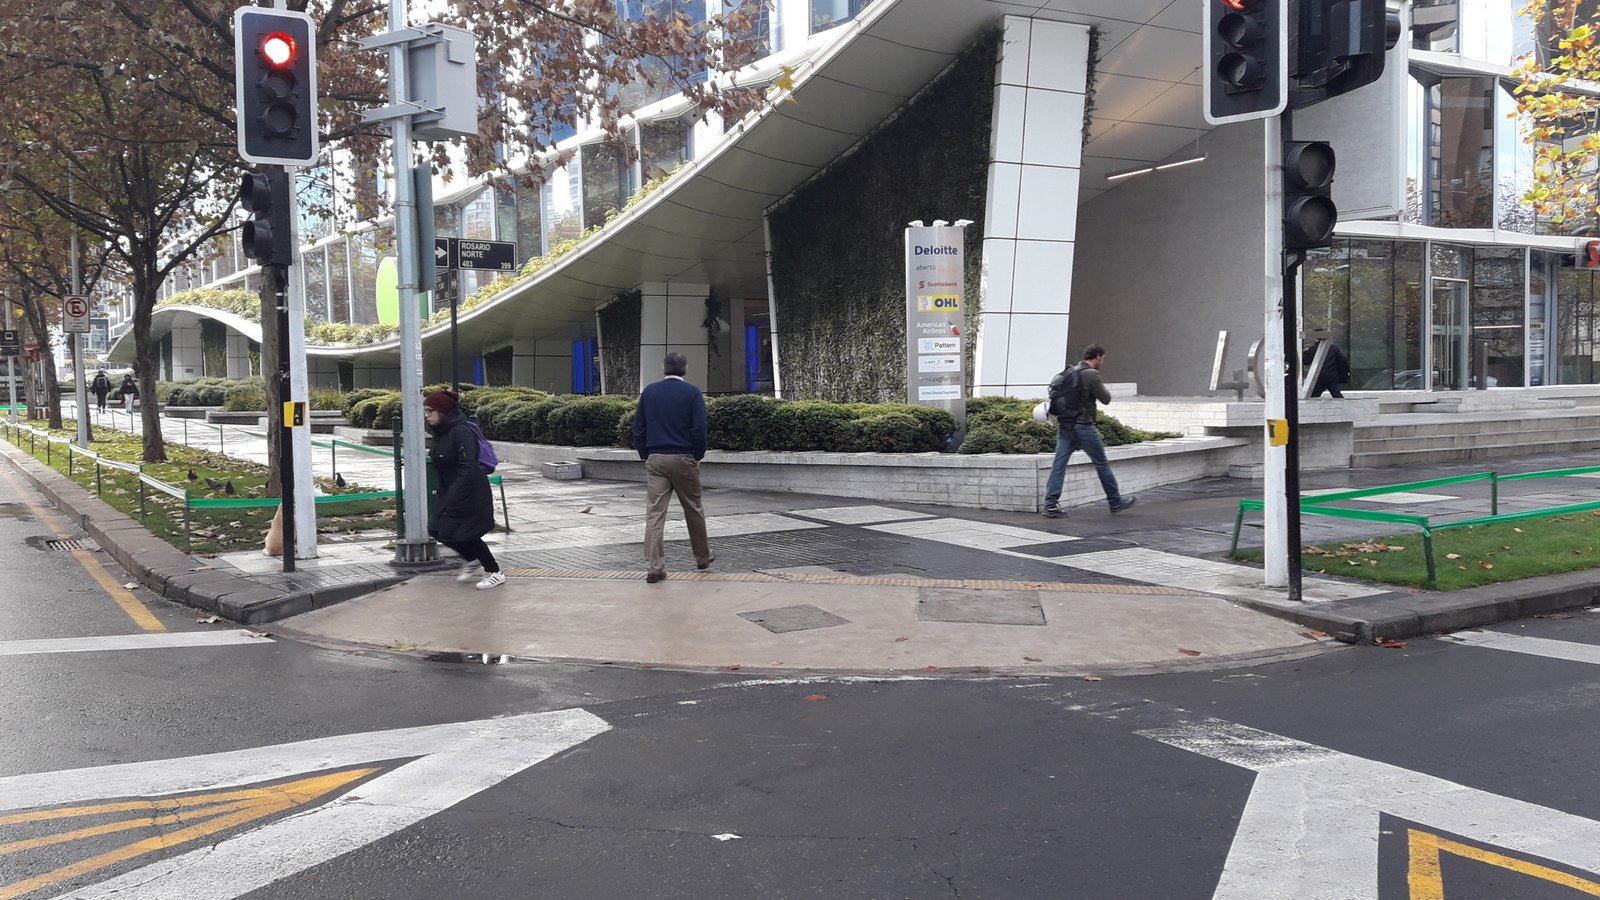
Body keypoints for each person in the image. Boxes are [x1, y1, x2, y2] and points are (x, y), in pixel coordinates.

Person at [632, 351, 712, 583]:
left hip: (656, 458)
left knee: (655, 514)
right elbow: (699, 428)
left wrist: (645, 454)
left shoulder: (650, 392)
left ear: (663, 369)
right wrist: (698, 454)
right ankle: (702, 557)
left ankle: (654, 567)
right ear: (686, 370)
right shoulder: (692, 392)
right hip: (684, 458)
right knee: (693, 508)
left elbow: (639, 427)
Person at [1041, 344, 1137, 518]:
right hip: (1083, 426)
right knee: (1101, 463)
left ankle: (1050, 505)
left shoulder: (1070, 372)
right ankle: (1115, 502)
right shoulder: (1091, 374)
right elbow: (1106, 399)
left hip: (1065, 426)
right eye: (1103, 359)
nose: (1103, 362)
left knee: (1059, 464)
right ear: (1098, 357)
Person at [423, 389, 503, 590]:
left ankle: (494, 571)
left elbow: (467, 467)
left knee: (467, 534)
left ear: (442, 411)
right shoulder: (440, 432)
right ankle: (470, 559)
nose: (427, 415)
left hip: (470, 492)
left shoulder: (461, 431)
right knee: (436, 529)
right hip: (451, 490)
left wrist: (454, 495)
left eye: (430, 410)